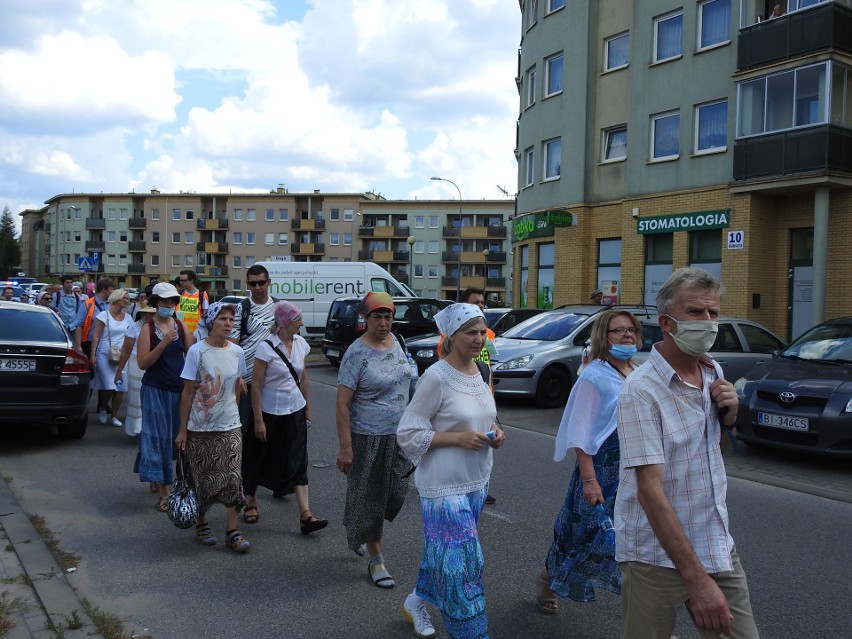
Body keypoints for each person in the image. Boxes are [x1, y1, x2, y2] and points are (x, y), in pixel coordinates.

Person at [616, 267, 759, 639]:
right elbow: (650, 491)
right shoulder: (640, 390)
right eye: (696, 312)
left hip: (714, 542)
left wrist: (729, 418)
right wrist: (697, 581)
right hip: (654, 555)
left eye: (713, 313)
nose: (709, 322)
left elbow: (714, 453)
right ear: (667, 322)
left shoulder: (714, 372)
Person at [397, 303, 506, 639]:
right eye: (470, 333)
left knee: (445, 555)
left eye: (481, 332)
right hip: (443, 486)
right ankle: (472, 633)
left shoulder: (482, 372)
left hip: (476, 480)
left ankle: (416, 601)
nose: (478, 339)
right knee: (463, 568)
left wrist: (497, 432)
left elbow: (487, 417)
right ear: (452, 336)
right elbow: (408, 432)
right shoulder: (436, 377)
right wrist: (456, 438)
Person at [535, 309, 641, 615]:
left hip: (634, 470)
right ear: (603, 338)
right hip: (600, 470)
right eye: (618, 330)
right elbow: (580, 431)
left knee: (634, 543)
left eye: (631, 329)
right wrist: (589, 479)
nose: (627, 335)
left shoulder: (638, 371)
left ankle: (648, 621)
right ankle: (547, 578)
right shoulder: (595, 375)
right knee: (580, 537)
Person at [335, 292, 415, 588]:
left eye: (388, 316)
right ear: (365, 318)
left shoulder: (399, 342)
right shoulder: (356, 353)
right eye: (377, 316)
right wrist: (346, 447)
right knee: (370, 496)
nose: (383, 322)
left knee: (395, 492)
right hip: (366, 436)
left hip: (399, 435)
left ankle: (356, 524)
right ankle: (376, 558)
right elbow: (342, 404)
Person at [242, 301, 326, 533]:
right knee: (258, 456)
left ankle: (305, 515)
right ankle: (251, 501)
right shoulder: (266, 347)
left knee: (298, 459)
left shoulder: (301, 344)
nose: (301, 322)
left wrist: (307, 408)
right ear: (285, 323)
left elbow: (304, 378)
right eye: (298, 319)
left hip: (294, 410)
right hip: (269, 412)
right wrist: (258, 420)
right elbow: (256, 386)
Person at [176, 303, 250, 553]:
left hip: (230, 426)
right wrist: (182, 430)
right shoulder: (197, 351)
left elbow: (237, 386)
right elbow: (187, 393)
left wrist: (234, 411)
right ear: (211, 322)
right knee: (201, 479)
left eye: (231, 319)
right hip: (200, 427)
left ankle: (233, 531)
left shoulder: (238, 352)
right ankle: (202, 525)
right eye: (223, 319)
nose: (228, 324)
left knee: (233, 479)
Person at [136, 282, 195, 512]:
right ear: (155, 302)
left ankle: (159, 477)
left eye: (172, 301)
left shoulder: (180, 325)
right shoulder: (147, 329)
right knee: (157, 440)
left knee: (177, 439)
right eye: (164, 301)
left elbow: (193, 353)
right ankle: (164, 493)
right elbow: (143, 363)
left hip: (179, 391)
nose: (169, 305)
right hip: (155, 390)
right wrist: (163, 343)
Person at [230, 265, 277, 439]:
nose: (257, 288)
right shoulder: (241, 309)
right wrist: (238, 377)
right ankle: (243, 466)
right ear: (247, 284)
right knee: (244, 430)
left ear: (269, 282)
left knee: (270, 432)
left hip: (273, 381)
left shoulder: (279, 307)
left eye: (261, 283)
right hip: (247, 383)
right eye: (253, 284)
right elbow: (233, 347)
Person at [89, 289, 134, 428]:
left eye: (128, 298)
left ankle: (114, 416)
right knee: (109, 384)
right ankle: (103, 407)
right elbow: (96, 335)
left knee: (120, 387)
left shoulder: (128, 317)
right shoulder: (104, 315)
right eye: (124, 298)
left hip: (122, 354)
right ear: (116, 299)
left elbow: (131, 336)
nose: (126, 300)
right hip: (104, 353)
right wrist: (92, 354)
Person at [114, 293, 156, 438]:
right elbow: (125, 351)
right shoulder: (134, 327)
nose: (149, 317)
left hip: (153, 363)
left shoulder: (159, 327)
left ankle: (149, 428)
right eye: (147, 314)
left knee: (152, 397)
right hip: (135, 363)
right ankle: (137, 428)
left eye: (152, 314)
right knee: (136, 396)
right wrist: (119, 371)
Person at [177, 269, 209, 335]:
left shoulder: (202, 295)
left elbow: (206, 315)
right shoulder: (178, 295)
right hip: (180, 332)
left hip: (196, 334)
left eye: (184, 281)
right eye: (180, 280)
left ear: (192, 281)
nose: (181, 283)